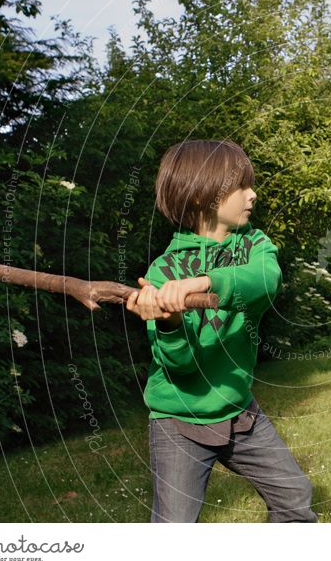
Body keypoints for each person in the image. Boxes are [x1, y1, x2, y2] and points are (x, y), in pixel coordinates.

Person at [126, 140, 318, 523]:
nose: (253, 194)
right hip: (178, 420)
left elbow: (266, 279)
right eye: (241, 186)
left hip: (238, 409)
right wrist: (168, 322)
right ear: (205, 197)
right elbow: (180, 365)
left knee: (295, 500)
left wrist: (205, 282)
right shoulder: (164, 271)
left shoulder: (254, 245)